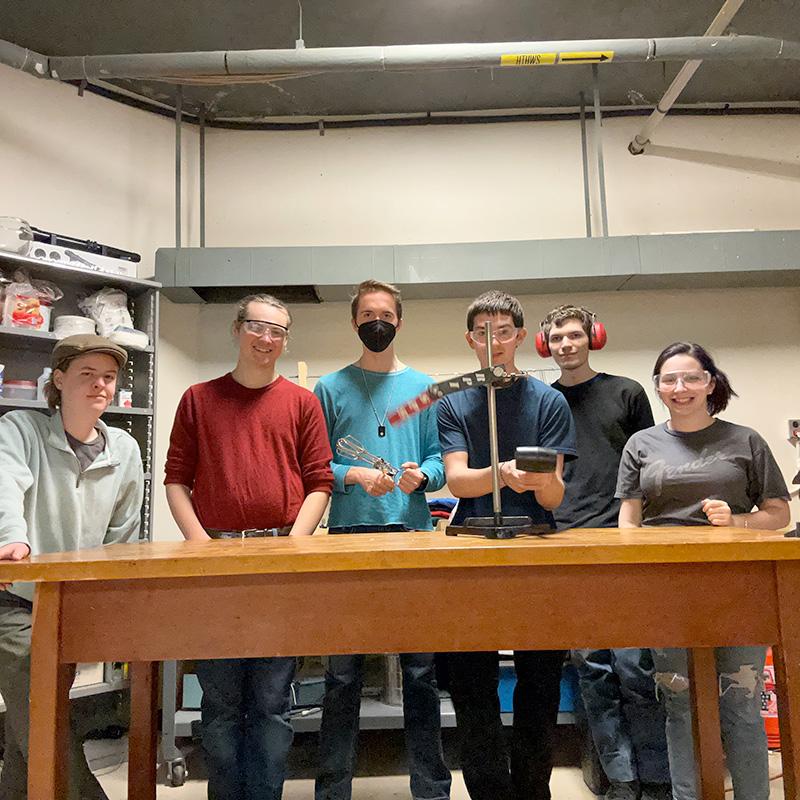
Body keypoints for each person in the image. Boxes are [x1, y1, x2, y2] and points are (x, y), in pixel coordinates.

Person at [165, 293, 333, 800]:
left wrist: (291, 546)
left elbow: (319, 482)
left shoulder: (302, 403)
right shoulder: (198, 398)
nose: (267, 339)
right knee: (219, 703)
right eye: (259, 327)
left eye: (278, 331)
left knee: (270, 701)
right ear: (237, 329)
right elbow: (177, 479)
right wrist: (200, 546)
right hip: (216, 562)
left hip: (279, 560)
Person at [616, 341, 791, 800]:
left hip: (738, 588)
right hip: (666, 590)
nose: (680, 388)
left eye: (692, 377)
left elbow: (778, 514)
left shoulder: (746, 440)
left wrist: (736, 520)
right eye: (669, 379)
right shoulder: (641, 443)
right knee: (678, 703)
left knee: (742, 703)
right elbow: (629, 522)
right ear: (658, 387)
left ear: (710, 383)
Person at [313, 279, 451, 800]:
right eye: (368, 314)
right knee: (343, 675)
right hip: (349, 535)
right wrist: (352, 475)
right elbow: (316, 462)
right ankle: (332, 790)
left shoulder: (425, 387)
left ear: (399, 321)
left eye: (386, 315)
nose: (378, 322)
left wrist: (426, 477)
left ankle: (432, 788)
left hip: (413, 534)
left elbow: (440, 459)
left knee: (420, 672)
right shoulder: (328, 388)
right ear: (354, 322)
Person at [436, 290, 577, 800]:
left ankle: (533, 788)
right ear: (470, 339)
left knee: (539, 679)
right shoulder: (453, 402)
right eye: (481, 333)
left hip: (535, 547)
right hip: (473, 548)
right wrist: (500, 472)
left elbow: (556, 492)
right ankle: (488, 791)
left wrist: (536, 481)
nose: (492, 342)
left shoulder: (549, 401)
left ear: (520, 336)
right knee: (472, 683)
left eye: (502, 332)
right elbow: (457, 482)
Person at [0, 334, 144, 800]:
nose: (100, 385)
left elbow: (121, 538)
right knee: (44, 719)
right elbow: (5, 484)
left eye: (108, 377)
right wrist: (10, 539)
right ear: (58, 380)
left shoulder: (123, 449)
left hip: (73, 605)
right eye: (87, 374)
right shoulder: (21, 429)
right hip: (15, 601)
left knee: (35, 725)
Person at [542, 305, 670, 800]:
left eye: (575, 335)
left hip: (621, 539)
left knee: (636, 667)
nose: (566, 345)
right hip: (566, 541)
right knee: (592, 670)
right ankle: (621, 780)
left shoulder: (627, 392)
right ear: (546, 345)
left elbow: (648, 462)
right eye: (557, 338)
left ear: (592, 338)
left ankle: (656, 778)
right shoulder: (542, 400)